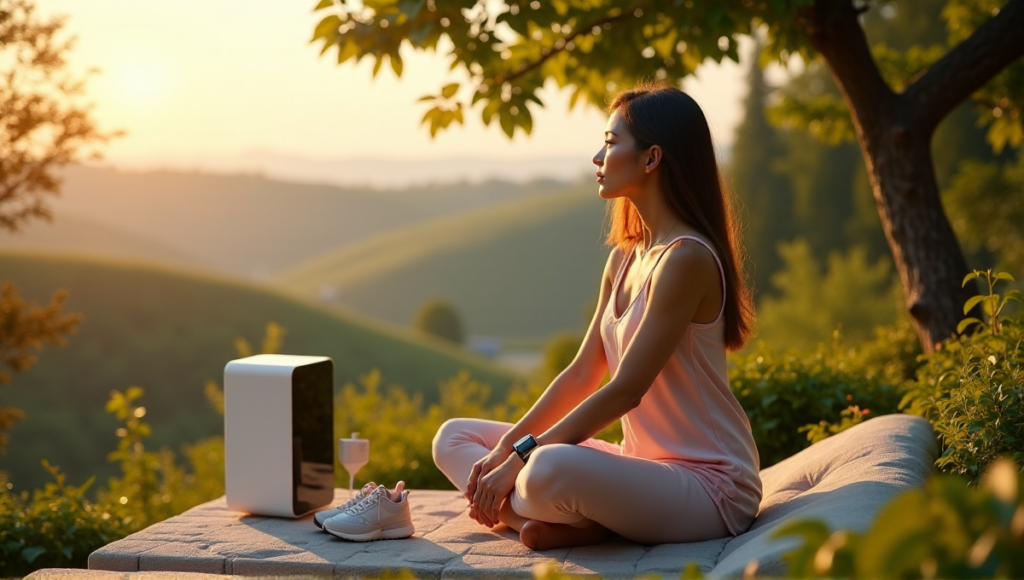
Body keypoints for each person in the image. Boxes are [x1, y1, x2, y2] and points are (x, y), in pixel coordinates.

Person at [431, 81, 761, 551]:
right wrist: (506, 450)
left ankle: (574, 519)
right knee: (455, 438)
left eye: (610, 143)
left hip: (710, 486)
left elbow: (625, 389)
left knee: (544, 468)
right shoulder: (625, 259)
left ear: (651, 158)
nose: (597, 158)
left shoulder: (686, 259)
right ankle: (587, 521)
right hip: (642, 469)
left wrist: (522, 457)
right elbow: (584, 371)